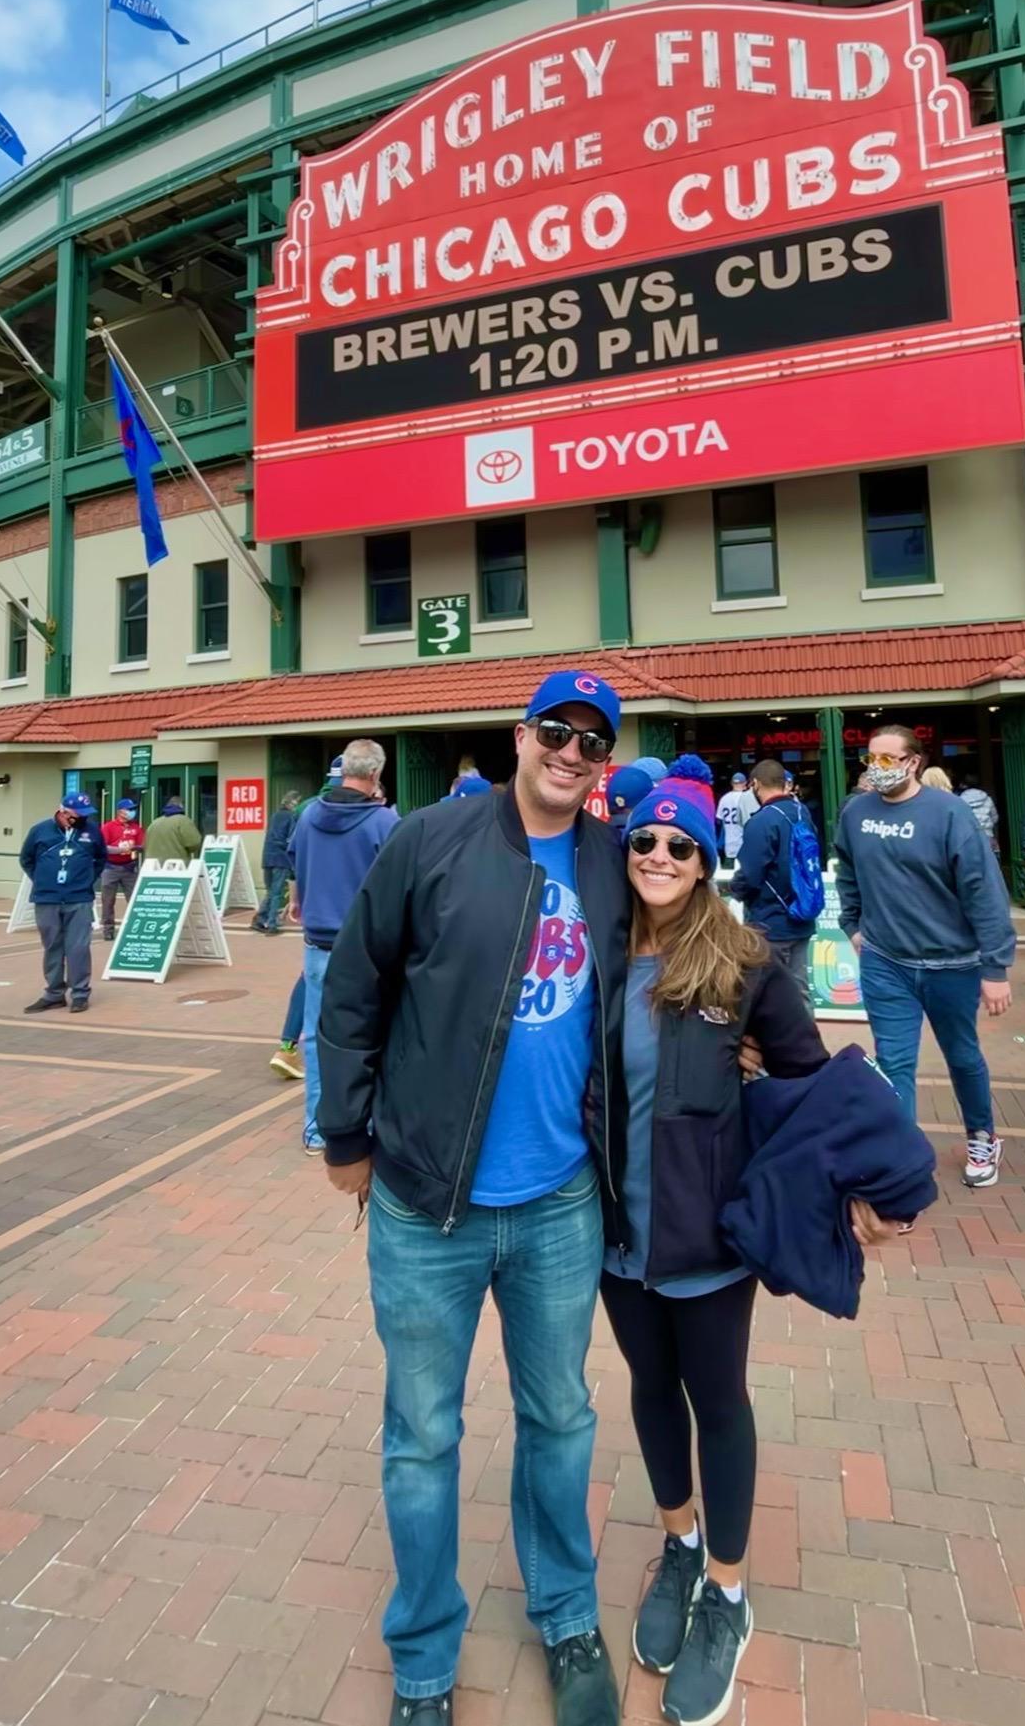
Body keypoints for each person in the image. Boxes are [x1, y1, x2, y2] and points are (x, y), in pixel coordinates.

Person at [318, 671, 629, 1726]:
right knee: (422, 1436)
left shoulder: (613, 861)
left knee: (560, 1416)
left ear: (604, 762)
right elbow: (354, 989)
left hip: (557, 1204)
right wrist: (347, 1134)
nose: (571, 753)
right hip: (425, 1205)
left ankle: (567, 1610)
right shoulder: (431, 840)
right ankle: (423, 1662)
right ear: (520, 736)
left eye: (592, 741)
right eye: (557, 731)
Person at [602, 783, 869, 1725]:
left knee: (715, 1397)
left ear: (702, 856)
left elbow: (812, 1083)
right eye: (646, 841)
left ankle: (727, 1590)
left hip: (708, 1230)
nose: (661, 857)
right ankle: (677, 1545)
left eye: (679, 843)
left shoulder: (744, 960)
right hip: (617, 1230)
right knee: (646, 1385)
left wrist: (862, 1191)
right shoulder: (602, 949)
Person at [835, 725, 1015, 1186]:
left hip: (953, 963)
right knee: (893, 1063)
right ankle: (903, 1167)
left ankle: (981, 1133)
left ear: (914, 762)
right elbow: (848, 870)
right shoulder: (856, 813)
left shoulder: (949, 813)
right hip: (885, 961)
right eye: (870, 758)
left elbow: (983, 890)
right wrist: (852, 925)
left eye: (888, 759)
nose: (877, 767)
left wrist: (996, 967)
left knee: (962, 1056)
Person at [292, 739, 401, 1155]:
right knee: (375, 1038)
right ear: (375, 775)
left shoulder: (306, 817)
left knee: (317, 1039)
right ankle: (369, 1121)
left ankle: (318, 1129)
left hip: (317, 945)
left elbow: (296, 867)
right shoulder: (383, 823)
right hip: (367, 949)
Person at [731, 758, 816, 992]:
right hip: (803, 912)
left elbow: (750, 873)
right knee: (799, 990)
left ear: (756, 784)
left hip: (770, 919)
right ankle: (804, 1029)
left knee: (768, 993)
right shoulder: (802, 812)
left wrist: (733, 891)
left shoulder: (762, 820)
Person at [18, 792, 107, 1013]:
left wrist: (86, 880)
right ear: (64, 812)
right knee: (52, 947)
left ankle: (80, 993)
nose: (83, 818)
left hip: (79, 898)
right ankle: (54, 994)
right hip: (47, 898)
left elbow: (101, 858)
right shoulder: (40, 830)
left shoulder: (92, 831)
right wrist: (42, 880)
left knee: (78, 948)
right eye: (79, 814)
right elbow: (26, 859)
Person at [253, 790, 302, 936]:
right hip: (281, 858)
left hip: (267, 857)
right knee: (277, 893)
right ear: (293, 803)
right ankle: (272, 924)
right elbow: (290, 839)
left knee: (270, 891)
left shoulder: (274, 816)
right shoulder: (291, 817)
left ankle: (259, 919)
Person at [96, 797, 144, 940]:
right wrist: (119, 849)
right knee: (108, 900)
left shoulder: (136, 828)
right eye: (129, 809)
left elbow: (142, 845)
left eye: (133, 809)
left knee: (135, 899)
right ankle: (108, 929)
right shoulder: (108, 827)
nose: (132, 812)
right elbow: (102, 847)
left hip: (129, 867)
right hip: (111, 867)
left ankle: (136, 927)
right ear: (120, 811)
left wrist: (135, 848)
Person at [142, 795, 203, 866]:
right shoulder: (183, 821)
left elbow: (145, 844)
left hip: (152, 868)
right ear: (181, 806)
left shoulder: (154, 823)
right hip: (175, 867)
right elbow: (194, 843)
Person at [715, 772, 755, 868]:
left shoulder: (724, 798)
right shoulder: (747, 797)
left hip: (729, 846)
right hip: (745, 846)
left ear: (732, 783)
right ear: (744, 783)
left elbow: (718, 820)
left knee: (728, 880)